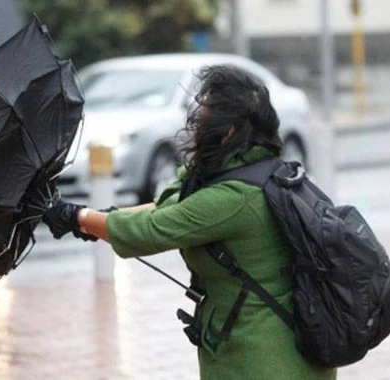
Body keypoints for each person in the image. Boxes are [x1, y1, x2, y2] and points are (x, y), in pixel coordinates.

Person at [42, 65, 336, 380]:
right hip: (275, 352)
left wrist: (77, 217)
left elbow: (150, 231)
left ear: (228, 132)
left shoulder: (234, 197)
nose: (197, 125)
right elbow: (168, 206)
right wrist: (96, 218)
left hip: (265, 361)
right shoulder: (261, 171)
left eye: (205, 116)